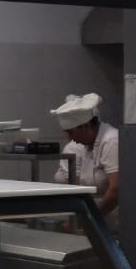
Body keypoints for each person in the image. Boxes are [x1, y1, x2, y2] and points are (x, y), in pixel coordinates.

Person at [50, 93, 119, 232]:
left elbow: (116, 189)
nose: (70, 138)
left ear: (86, 126)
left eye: (71, 132)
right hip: (98, 221)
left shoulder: (111, 141)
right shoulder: (87, 145)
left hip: (114, 222)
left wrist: (87, 221)